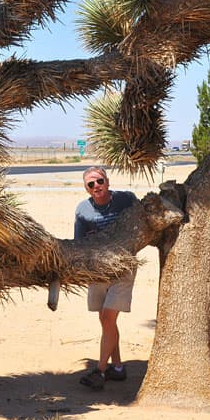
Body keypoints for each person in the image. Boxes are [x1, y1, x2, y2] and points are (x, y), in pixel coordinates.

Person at [75, 166, 139, 390]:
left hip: (123, 268)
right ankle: (118, 368)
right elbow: (79, 242)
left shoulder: (127, 200)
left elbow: (143, 222)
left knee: (109, 318)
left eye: (99, 181)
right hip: (98, 270)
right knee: (106, 321)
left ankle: (101, 370)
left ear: (107, 181)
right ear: (86, 189)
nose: (96, 187)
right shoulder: (83, 210)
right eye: (90, 184)